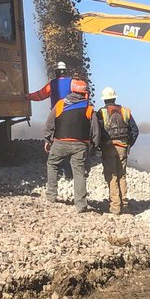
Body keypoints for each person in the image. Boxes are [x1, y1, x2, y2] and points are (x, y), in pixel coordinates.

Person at [41, 76, 98, 212]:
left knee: (52, 164)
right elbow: (95, 131)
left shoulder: (60, 104)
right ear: (85, 93)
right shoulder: (89, 108)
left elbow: (49, 124)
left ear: (71, 91)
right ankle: (80, 204)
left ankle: (51, 196)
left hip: (60, 142)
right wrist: (93, 147)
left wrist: (47, 140)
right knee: (79, 172)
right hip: (80, 144)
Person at [97, 86, 139, 214]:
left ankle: (115, 207)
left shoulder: (101, 113)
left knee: (112, 176)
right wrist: (128, 144)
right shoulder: (125, 112)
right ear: (115, 98)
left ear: (104, 100)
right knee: (122, 176)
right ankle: (125, 205)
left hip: (109, 148)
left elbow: (97, 132)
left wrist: (99, 146)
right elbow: (135, 131)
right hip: (122, 148)